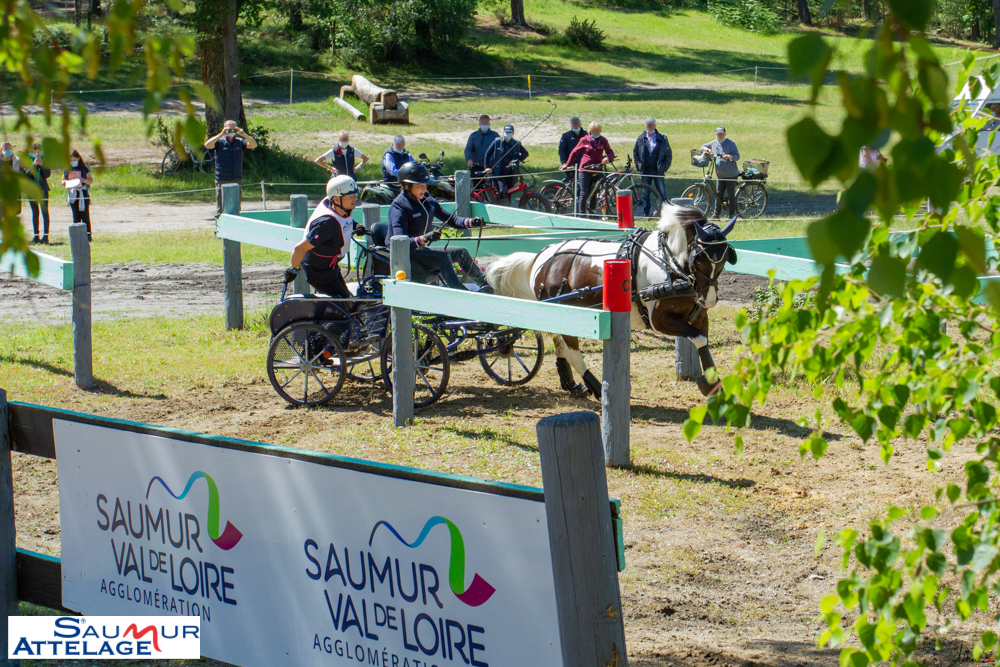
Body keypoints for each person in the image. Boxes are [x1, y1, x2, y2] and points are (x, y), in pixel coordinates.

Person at [387, 162, 489, 292]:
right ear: (406, 186)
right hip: (405, 255)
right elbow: (400, 242)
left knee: (461, 252)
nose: (424, 189)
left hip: (421, 250)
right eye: (419, 186)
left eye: (425, 185)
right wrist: (423, 238)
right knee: (442, 258)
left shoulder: (428, 200)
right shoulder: (399, 206)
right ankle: (462, 293)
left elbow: (451, 219)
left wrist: (470, 222)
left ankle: (486, 285)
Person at [285, 176, 365, 299]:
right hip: (318, 272)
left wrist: (355, 226)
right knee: (344, 303)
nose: (355, 198)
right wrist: (293, 269)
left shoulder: (340, 207)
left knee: (345, 299)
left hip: (330, 267)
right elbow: (300, 248)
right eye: (350, 196)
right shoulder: (327, 223)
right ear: (336, 199)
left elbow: (343, 221)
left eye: (355, 194)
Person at [204, 120, 258, 219]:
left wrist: (244, 135)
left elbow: (254, 145)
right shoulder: (219, 142)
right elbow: (207, 145)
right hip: (222, 178)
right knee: (221, 205)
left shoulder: (240, 142)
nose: (231, 131)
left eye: (233, 129)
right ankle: (219, 224)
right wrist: (221, 134)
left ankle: (236, 223)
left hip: (236, 178)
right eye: (229, 129)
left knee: (236, 204)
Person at [562, 122, 615, 215]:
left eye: (598, 130)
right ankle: (581, 214)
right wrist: (567, 164)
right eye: (594, 130)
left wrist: (608, 158)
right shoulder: (584, 140)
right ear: (590, 131)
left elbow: (610, 152)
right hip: (585, 169)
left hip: (597, 170)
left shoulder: (603, 140)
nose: (596, 132)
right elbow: (574, 152)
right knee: (584, 193)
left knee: (594, 192)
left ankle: (592, 213)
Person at [632, 117, 672, 217]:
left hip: (658, 170)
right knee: (645, 193)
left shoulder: (663, 138)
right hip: (645, 170)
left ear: (655, 125)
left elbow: (668, 154)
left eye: (652, 125)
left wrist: (664, 167)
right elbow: (636, 153)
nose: (650, 127)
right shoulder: (640, 139)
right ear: (645, 126)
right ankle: (646, 214)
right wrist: (638, 165)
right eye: (648, 125)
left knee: (662, 192)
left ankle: (666, 213)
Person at [701, 126, 739, 219]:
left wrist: (729, 156)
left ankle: (732, 215)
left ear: (725, 135)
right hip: (720, 175)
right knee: (718, 195)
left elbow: (737, 156)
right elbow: (702, 147)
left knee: (731, 195)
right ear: (715, 135)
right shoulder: (713, 143)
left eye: (722, 134)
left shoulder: (731, 144)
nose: (720, 136)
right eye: (718, 134)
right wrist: (708, 150)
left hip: (731, 174)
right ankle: (716, 214)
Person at [484, 124, 529, 201]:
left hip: (511, 173)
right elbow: (487, 154)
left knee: (509, 193)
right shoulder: (497, 142)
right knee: (502, 192)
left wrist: (515, 159)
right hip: (499, 173)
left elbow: (525, 153)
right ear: (503, 132)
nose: (508, 134)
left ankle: (507, 206)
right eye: (506, 132)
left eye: (510, 132)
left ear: (513, 133)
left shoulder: (516, 143)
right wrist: (487, 167)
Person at [62, 149, 94, 241]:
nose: (72, 162)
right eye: (71, 160)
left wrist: (83, 180)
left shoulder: (84, 168)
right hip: (73, 194)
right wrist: (66, 183)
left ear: (78, 158)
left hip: (83, 193)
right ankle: (77, 236)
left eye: (74, 160)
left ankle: (88, 235)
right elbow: (63, 181)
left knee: (85, 215)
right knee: (75, 215)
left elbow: (90, 180)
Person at [25, 143, 51, 244]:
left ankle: (46, 236)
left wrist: (42, 165)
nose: (37, 154)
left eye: (39, 152)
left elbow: (47, 174)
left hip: (43, 190)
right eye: (35, 152)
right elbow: (26, 175)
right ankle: (36, 236)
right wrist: (33, 165)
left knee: (45, 212)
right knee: (35, 213)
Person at [558, 116, 584, 185]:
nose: (575, 125)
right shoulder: (566, 136)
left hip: (583, 165)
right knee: (571, 184)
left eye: (577, 123)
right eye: (574, 123)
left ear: (580, 124)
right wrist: (564, 163)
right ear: (571, 125)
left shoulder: (586, 135)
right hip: (571, 165)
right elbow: (562, 150)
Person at [0, 143, 21, 220]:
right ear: (1, 150)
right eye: (5, 149)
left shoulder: (17, 160)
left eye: (9, 149)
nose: (8, 151)